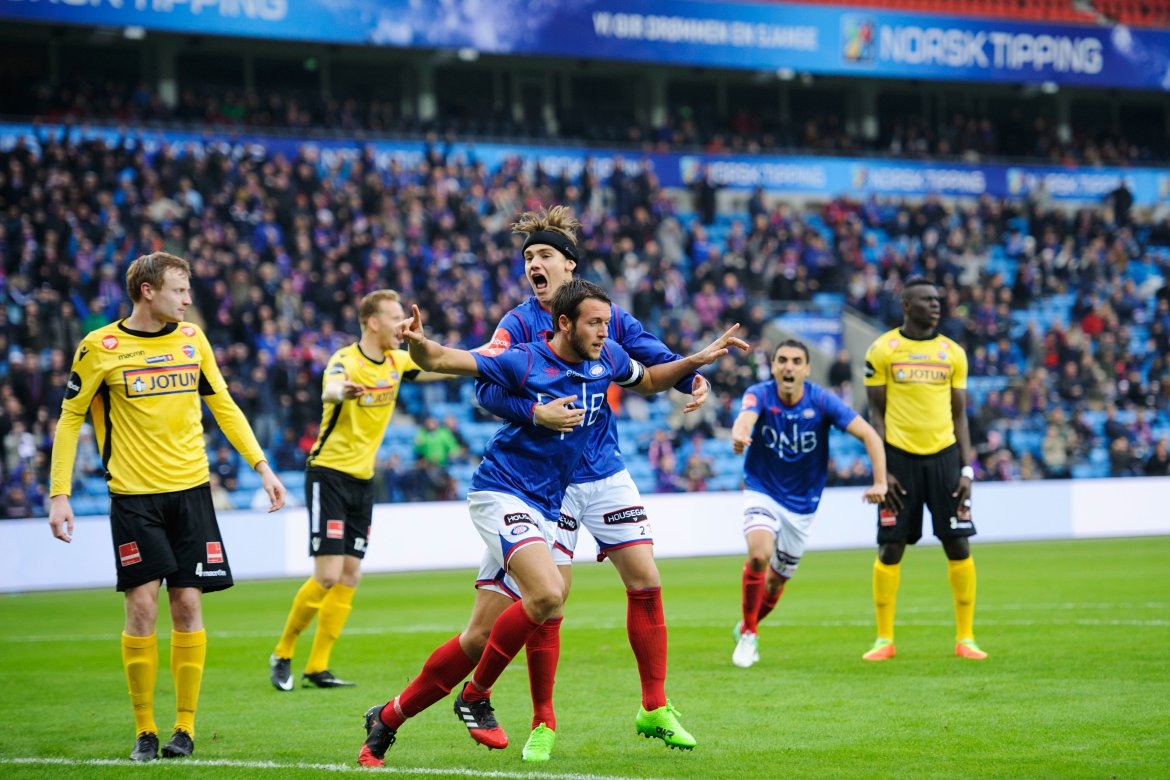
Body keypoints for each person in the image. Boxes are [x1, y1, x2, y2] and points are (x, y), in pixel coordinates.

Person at [357, 279, 745, 768]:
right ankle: (476, 695)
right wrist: (419, 344)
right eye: (594, 323)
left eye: (606, 323)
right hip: (502, 493)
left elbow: (647, 380)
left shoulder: (607, 357)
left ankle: (387, 719)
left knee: (478, 637)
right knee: (547, 595)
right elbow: (442, 360)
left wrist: (695, 361)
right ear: (564, 323)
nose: (604, 332)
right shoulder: (523, 359)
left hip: (543, 505)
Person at [471, 206, 713, 760]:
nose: (533, 264)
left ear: (568, 265)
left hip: (603, 469)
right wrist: (535, 412)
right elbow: (484, 389)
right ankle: (543, 721)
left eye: (544, 255)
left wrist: (692, 376)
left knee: (646, 578)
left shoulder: (604, 314)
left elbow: (650, 358)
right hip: (545, 484)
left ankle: (654, 707)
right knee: (550, 601)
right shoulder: (515, 325)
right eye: (528, 257)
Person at [47, 252, 287, 762]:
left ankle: (184, 728)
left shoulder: (193, 339)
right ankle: (145, 731)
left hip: (192, 492)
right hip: (134, 497)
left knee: (188, 606)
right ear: (147, 291)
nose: (188, 299)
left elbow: (223, 405)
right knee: (141, 606)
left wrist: (262, 467)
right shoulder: (99, 347)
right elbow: (70, 419)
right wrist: (59, 493)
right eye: (179, 290)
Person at [269, 289, 443, 691]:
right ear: (373, 322)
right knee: (328, 574)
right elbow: (329, 387)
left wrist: (496, 353)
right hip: (329, 474)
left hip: (363, 481)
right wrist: (341, 391)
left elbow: (444, 366)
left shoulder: (398, 362)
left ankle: (318, 666)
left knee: (350, 575)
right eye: (396, 317)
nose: (403, 324)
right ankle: (283, 652)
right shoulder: (345, 361)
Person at [729, 340, 887, 668]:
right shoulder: (760, 393)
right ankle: (750, 635)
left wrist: (880, 482)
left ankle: (746, 624)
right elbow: (745, 418)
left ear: (807, 369)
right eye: (782, 360)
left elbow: (870, 435)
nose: (789, 366)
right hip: (762, 490)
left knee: (776, 582)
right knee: (759, 555)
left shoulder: (822, 400)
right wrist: (740, 434)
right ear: (773, 367)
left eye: (796, 361)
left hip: (802, 505)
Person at [861, 277, 984, 662]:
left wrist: (966, 469)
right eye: (927, 300)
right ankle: (884, 639)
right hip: (898, 461)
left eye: (937, 299)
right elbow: (876, 413)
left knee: (958, 543)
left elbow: (960, 415)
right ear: (906, 305)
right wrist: (882, 470)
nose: (936, 305)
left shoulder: (953, 353)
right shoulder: (882, 350)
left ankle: (966, 638)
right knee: (891, 545)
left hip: (945, 457)